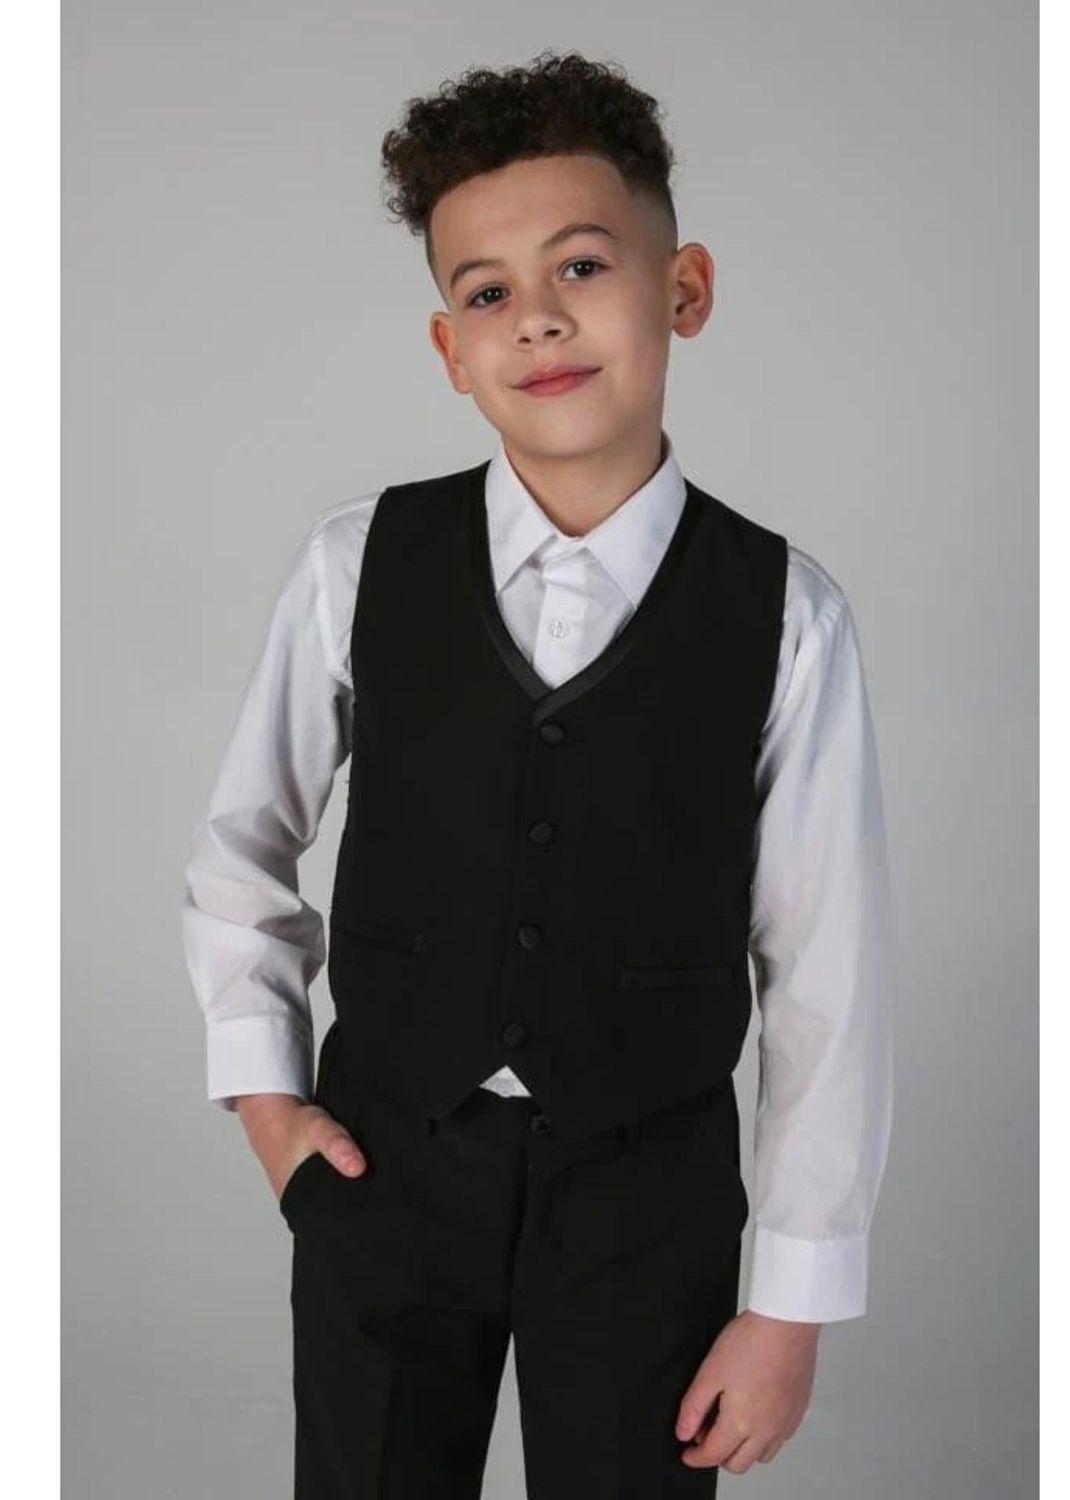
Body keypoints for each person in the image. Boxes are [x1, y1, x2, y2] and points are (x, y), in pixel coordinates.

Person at [181, 48, 895, 1498]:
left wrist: (790, 1303)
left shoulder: (786, 615)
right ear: (451, 348)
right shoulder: (356, 565)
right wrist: (268, 1107)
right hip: (385, 1167)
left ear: (684, 289)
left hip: (650, 1194)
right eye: (489, 292)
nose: (540, 319)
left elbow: (829, 969)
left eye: (582, 265)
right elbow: (240, 843)